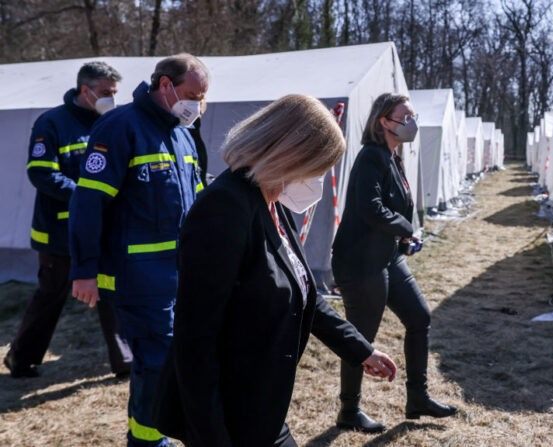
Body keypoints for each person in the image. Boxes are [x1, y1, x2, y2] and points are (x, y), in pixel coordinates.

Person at [151, 94, 398, 447]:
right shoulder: (225, 208)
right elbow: (195, 339)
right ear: (290, 154)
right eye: (316, 167)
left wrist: (361, 350)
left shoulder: (269, 201)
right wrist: (212, 438)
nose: (316, 178)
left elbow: (305, 292)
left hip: (261, 406)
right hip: (228, 413)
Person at [69, 54, 207, 447]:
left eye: (203, 97)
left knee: (171, 363)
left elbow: (194, 200)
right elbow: (87, 204)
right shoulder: (119, 127)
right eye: (193, 94)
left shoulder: (183, 134)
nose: (197, 105)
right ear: (165, 85)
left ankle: (156, 434)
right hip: (137, 277)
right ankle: (148, 442)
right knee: (159, 363)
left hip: (179, 274)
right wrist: (84, 270)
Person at [331, 93, 458, 432]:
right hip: (360, 263)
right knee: (360, 338)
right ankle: (349, 412)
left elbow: (394, 207)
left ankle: (418, 398)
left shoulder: (393, 156)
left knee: (419, 317)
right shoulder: (371, 157)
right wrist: (406, 229)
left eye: (413, 116)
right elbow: (370, 208)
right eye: (405, 117)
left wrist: (403, 237)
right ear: (384, 122)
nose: (412, 123)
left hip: (386, 258)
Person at [4, 62, 132, 379]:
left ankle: (124, 361)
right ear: (85, 90)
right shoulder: (51, 123)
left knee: (111, 292)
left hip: (103, 227)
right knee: (51, 295)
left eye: (115, 93)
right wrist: (86, 196)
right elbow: (41, 173)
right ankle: (22, 358)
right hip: (58, 232)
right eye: (105, 93)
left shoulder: (114, 121)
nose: (111, 99)